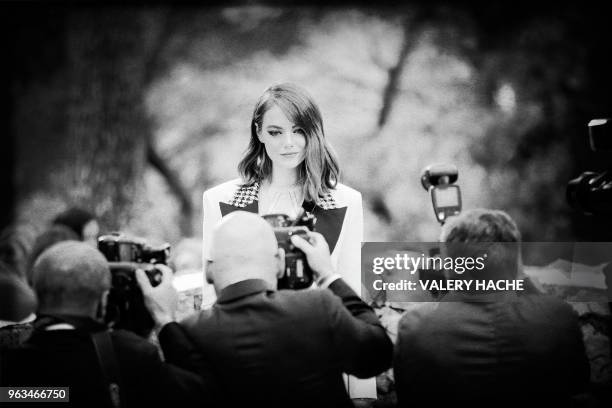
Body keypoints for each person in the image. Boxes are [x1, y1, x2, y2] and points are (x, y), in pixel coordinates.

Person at [141, 211, 392, 408]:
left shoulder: (188, 334)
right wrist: (328, 274)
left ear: (208, 270)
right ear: (280, 264)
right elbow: (377, 353)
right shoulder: (317, 307)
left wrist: (164, 320)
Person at [393, 209, 590, 407]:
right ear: (514, 262)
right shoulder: (558, 317)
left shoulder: (415, 327)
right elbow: (578, 382)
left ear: (450, 268)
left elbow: (409, 397)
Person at [0, 241, 212, 408]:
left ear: (36, 291)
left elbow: (50, 395)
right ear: (103, 299)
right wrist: (165, 320)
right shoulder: (131, 356)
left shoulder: (11, 361)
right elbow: (203, 394)